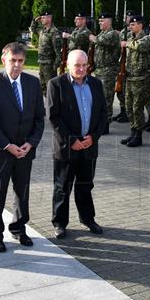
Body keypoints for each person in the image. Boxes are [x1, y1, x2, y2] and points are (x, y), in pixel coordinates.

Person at [0, 42, 45, 253]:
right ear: (3, 60)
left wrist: (31, 143)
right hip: (1, 152)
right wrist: (7, 145)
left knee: (22, 192)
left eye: (20, 61)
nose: (16, 65)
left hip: (25, 152)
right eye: (12, 61)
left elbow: (39, 119)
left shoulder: (33, 83)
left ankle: (19, 229)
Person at [47, 49, 107, 239]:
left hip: (89, 147)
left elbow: (103, 114)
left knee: (85, 186)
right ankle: (59, 223)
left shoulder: (96, 84)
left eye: (84, 65)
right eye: (77, 65)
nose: (81, 69)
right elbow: (53, 117)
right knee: (62, 187)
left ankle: (88, 219)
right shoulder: (56, 84)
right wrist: (72, 140)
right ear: (67, 65)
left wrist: (93, 137)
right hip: (67, 148)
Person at [119, 15, 150, 148]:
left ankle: (138, 135)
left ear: (140, 25)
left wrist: (127, 44)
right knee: (129, 107)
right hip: (129, 78)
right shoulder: (131, 38)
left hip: (140, 79)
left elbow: (141, 46)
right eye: (130, 25)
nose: (130, 27)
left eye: (133, 25)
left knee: (137, 108)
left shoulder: (146, 38)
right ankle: (132, 132)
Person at [89, 13, 122, 130]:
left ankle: (106, 123)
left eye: (102, 21)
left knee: (107, 98)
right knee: (99, 97)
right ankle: (100, 121)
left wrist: (94, 38)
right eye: (99, 21)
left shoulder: (112, 34)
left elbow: (102, 41)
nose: (100, 23)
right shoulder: (102, 33)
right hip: (99, 70)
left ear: (109, 22)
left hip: (108, 71)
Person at [30, 10, 63, 95]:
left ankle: (53, 106)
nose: (41, 20)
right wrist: (35, 20)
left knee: (51, 87)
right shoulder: (42, 30)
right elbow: (33, 29)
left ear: (49, 18)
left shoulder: (54, 32)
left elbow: (58, 52)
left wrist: (55, 66)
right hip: (41, 62)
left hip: (49, 65)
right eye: (41, 18)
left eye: (44, 18)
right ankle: (47, 104)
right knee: (43, 86)